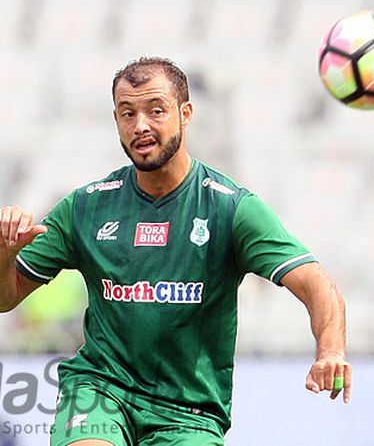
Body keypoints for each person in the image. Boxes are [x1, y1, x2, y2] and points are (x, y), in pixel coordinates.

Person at [0, 57, 351, 446]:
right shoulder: (85, 207)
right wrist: (3, 254)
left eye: (155, 110)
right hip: (100, 389)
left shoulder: (231, 209)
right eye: (127, 113)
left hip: (189, 413)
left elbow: (316, 282)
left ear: (185, 114)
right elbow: (6, 297)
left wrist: (330, 351)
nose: (141, 126)